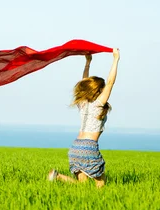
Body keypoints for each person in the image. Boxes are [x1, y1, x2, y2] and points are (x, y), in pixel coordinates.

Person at [48, 48, 120, 188]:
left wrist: (88, 62)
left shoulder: (83, 103)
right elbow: (111, 82)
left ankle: (57, 176)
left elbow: (84, 81)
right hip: (89, 147)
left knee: (82, 187)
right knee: (100, 185)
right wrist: (115, 59)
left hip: (75, 147)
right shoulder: (99, 104)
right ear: (99, 91)